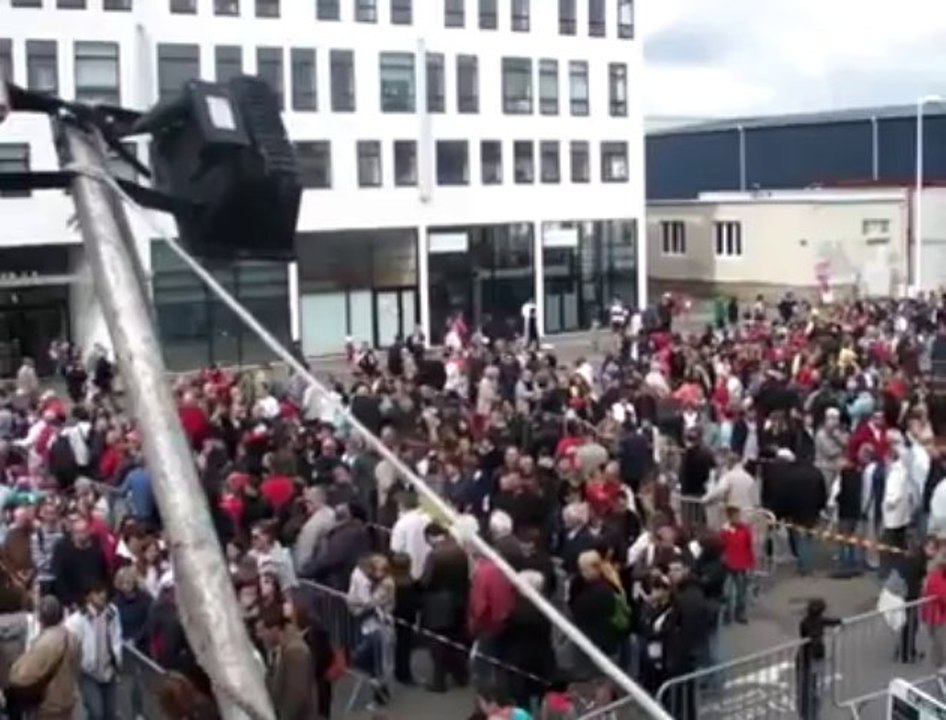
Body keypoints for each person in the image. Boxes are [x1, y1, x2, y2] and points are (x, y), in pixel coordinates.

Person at [7, 596, 79, 720]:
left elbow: (21, 676)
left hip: (49, 703)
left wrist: (15, 667)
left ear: (41, 618)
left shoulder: (45, 642)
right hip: (67, 699)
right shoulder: (71, 637)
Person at [65, 584, 123, 720]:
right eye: (97, 592)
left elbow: (117, 636)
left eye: (103, 591)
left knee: (110, 714)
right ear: (89, 596)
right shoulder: (77, 620)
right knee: (97, 713)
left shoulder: (112, 613)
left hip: (109, 670)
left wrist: (117, 659)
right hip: (88, 673)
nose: (102, 595)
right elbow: (71, 648)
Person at [256, 605, 318, 720]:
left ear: (275, 629)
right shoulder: (279, 650)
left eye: (262, 631)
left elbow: (296, 697)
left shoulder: (296, 651)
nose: (259, 636)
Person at [796, 598, 841, 720]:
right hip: (812, 657)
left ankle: (807, 712)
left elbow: (804, 635)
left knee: (807, 685)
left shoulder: (805, 622)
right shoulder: (819, 621)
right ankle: (810, 712)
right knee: (811, 685)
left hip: (807, 658)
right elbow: (833, 622)